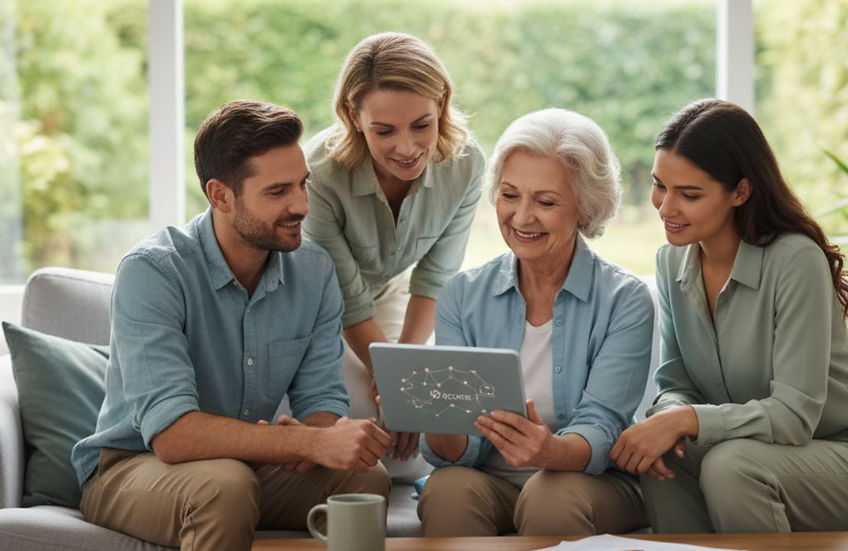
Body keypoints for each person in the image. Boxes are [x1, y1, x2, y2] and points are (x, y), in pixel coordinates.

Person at [70, 100, 391, 550]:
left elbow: (321, 400)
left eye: (303, 184)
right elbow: (173, 435)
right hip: (132, 467)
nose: (301, 205)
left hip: (242, 468)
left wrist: (320, 437)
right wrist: (304, 444)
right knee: (225, 486)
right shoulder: (153, 271)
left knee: (364, 479)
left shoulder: (314, 270)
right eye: (278, 192)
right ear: (220, 195)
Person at [610, 98, 848, 533]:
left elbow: (794, 416)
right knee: (662, 455)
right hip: (758, 453)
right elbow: (676, 384)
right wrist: (670, 418)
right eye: (659, 185)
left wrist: (688, 419)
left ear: (740, 192)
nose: (665, 207)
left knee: (730, 466)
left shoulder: (795, 260)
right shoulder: (671, 262)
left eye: (689, 194)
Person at [417, 108, 654, 536]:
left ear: (585, 209)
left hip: (586, 482)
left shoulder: (625, 299)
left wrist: (550, 451)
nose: (522, 217)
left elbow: (601, 427)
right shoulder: (462, 295)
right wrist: (435, 417)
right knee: (447, 489)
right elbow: (459, 449)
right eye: (509, 195)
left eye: (545, 202)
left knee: (550, 495)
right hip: (491, 480)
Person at [303, 32, 485, 479]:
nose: (406, 148)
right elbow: (347, 299)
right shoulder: (320, 174)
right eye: (384, 131)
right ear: (353, 116)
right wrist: (395, 381)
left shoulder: (466, 165)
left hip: (390, 291)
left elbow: (435, 279)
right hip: (319, 305)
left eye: (421, 125)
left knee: (411, 452)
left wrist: (406, 375)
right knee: (365, 435)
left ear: (441, 104)